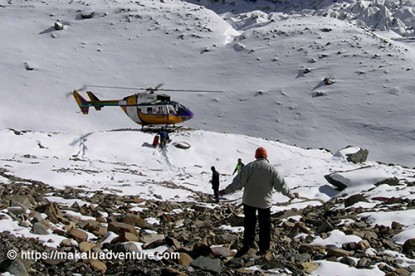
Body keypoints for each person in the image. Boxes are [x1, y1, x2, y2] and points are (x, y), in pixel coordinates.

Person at [219, 147, 298, 257]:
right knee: (265, 226)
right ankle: (263, 248)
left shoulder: (249, 167)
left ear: (256, 156)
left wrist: (225, 191)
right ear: (266, 156)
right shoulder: (272, 170)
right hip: (264, 204)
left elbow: (237, 183)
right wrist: (291, 195)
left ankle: (247, 244)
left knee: (249, 224)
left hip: (249, 201)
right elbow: (282, 186)